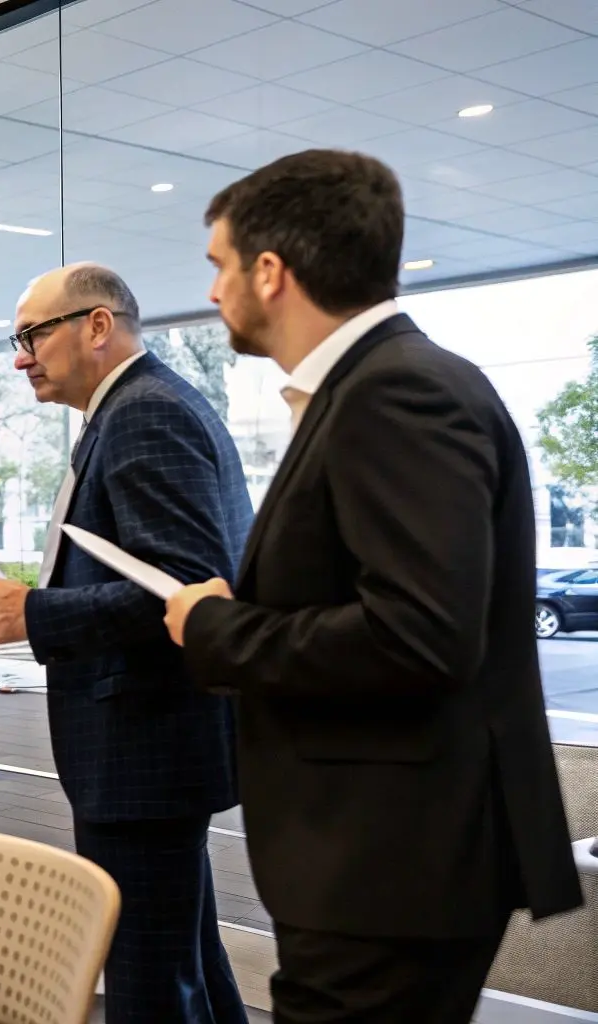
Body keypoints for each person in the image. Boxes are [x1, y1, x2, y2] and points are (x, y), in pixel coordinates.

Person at [163, 149, 583, 1024]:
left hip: (390, 865)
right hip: (383, 861)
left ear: (270, 272)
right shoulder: (379, 386)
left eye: (219, 264)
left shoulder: (396, 392)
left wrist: (215, 627)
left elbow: (418, 636)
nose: (212, 290)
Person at [0, 264, 251, 1024]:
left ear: (97, 326)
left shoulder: (145, 414)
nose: (20, 359)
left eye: (33, 335)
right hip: (149, 753)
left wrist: (34, 613)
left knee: (149, 988)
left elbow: (187, 592)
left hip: (145, 754)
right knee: (185, 969)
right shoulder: (137, 407)